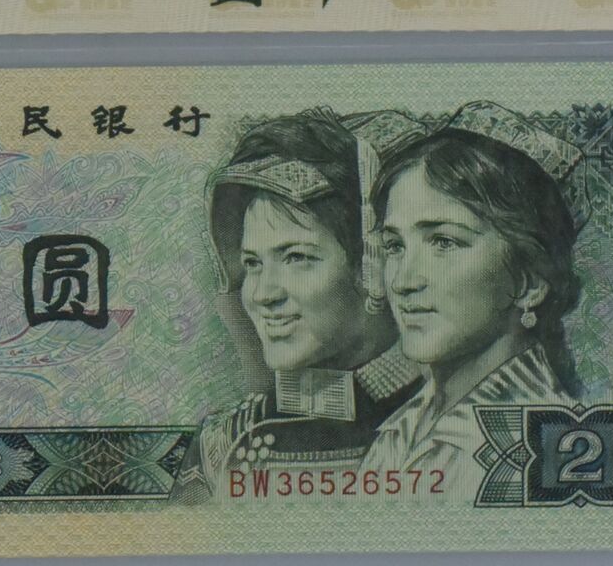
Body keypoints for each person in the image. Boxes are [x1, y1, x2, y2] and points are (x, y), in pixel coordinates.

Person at [171, 108, 425, 503]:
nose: (262, 294)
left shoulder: (453, 424)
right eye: (252, 264)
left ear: (372, 264)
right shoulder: (223, 444)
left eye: (296, 257)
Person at [357, 100, 584, 500]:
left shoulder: (547, 449)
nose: (403, 281)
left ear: (529, 281)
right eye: (395, 246)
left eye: (443, 242)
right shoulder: (400, 430)